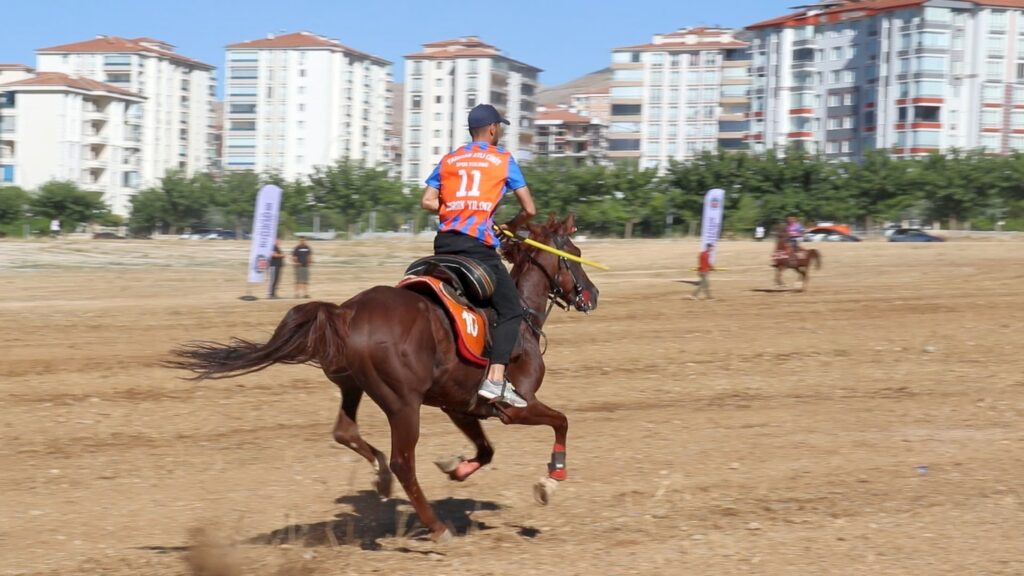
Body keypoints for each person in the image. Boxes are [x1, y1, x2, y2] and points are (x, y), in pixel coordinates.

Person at [420, 103, 537, 408]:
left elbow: (427, 201)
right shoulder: (502, 159)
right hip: (477, 248)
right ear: (493, 129)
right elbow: (530, 210)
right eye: (501, 128)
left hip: (443, 246)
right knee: (512, 310)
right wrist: (511, 225)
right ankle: (495, 379)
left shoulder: (450, 159)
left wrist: (456, 206)